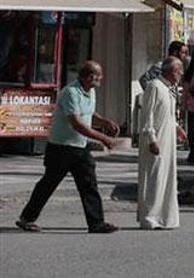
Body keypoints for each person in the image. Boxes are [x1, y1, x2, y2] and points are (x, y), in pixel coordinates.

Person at [16, 61, 120, 233]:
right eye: (98, 75)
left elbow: (89, 113)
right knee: (48, 184)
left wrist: (104, 122)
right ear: (89, 77)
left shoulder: (90, 91)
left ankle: (96, 223)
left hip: (80, 146)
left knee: (89, 184)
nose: (101, 78)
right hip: (61, 147)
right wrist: (103, 138)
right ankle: (27, 218)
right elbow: (77, 123)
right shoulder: (70, 92)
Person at [138, 56, 187, 230]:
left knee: (166, 178)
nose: (181, 74)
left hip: (168, 140)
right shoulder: (154, 87)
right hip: (156, 140)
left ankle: (164, 217)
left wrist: (177, 128)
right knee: (154, 178)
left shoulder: (168, 89)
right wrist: (151, 138)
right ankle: (150, 217)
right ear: (171, 71)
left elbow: (166, 114)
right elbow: (148, 115)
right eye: (179, 70)